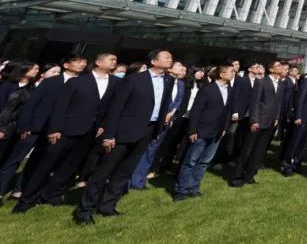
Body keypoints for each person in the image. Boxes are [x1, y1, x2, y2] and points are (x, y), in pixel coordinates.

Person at [73, 49, 175, 225]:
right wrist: (109, 134)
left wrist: (157, 130)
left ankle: (107, 205)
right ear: (154, 61)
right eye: (167, 57)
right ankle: (85, 211)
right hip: (123, 131)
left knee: (125, 171)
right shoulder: (134, 79)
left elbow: (164, 104)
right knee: (104, 171)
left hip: (148, 130)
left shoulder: (169, 80)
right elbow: (116, 107)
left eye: (171, 58)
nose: (170, 60)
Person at [13, 53, 118, 213]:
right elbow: (61, 106)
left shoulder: (116, 82)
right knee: (46, 164)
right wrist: (55, 128)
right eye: (111, 59)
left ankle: (53, 195)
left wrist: (103, 125)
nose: (114, 61)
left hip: (90, 132)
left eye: (115, 59)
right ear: (98, 62)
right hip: (65, 130)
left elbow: (111, 107)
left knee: (70, 166)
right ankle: (27, 200)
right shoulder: (77, 81)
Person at [2, 54, 85, 200]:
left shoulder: (83, 84)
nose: (82, 64)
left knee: (40, 161)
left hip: (57, 130)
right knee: (15, 159)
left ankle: (21, 189)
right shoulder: (51, 81)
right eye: (78, 61)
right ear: (66, 65)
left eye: (84, 62)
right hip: (34, 128)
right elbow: (32, 104)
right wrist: (25, 125)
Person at [174, 63, 234, 201]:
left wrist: (224, 128)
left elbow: (227, 111)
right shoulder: (207, 90)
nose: (233, 74)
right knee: (190, 161)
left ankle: (193, 188)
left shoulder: (229, 90)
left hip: (217, 132)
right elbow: (196, 111)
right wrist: (192, 130)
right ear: (221, 74)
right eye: (231, 71)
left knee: (204, 162)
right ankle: (181, 190)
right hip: (201, 131)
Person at [130, 60, 187, 189]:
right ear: (170, 68)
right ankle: (129, 177)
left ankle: (139, 180)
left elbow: (178, 101)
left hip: (166, 121)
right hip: (151, 119)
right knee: (138, 149)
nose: (182, 68)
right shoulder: (162, 80)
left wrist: (170, 114)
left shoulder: (180, 84)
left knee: (152, 150)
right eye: (179, 65)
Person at [231, 61, 284, 187]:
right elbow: (255, 102)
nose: (281, 67)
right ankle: (237, 177)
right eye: (278, 66)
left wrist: (277, 117)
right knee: (247, 149)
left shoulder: (280, 84)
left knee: (259, 151)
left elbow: (279, 103)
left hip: (270, 122)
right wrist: (254, 120)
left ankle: (250, 175)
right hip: (258, 121)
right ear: (271, 69)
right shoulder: (261, 82)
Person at [0, 61, 39, 205]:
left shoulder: (33, 90)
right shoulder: (7, 87)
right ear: (23, 70)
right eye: (33, 68)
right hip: (4, 127)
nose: (36, 71)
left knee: (10, 161)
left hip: (18, 131)